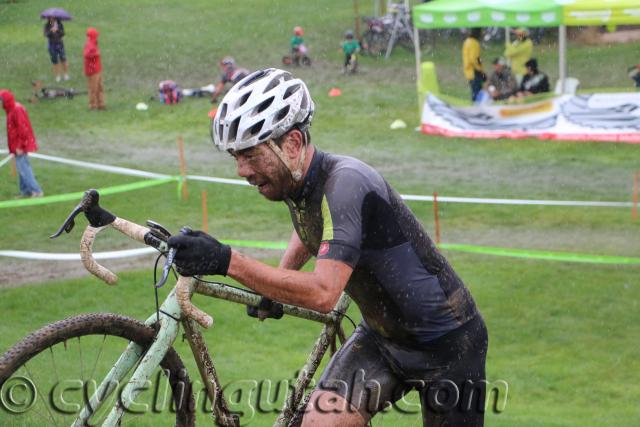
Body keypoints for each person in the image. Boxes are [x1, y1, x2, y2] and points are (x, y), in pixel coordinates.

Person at [168, 68, 488, 426]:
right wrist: (282, 278)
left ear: (290, 144)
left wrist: (226, 260)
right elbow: (315, 230)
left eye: (251, 155)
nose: (242, 170)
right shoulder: (297, 180)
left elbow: (324, 293)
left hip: (448, 344)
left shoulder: (345, 183)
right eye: (236, 157)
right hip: (382, 340)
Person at [0, 90, 43, 197]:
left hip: (20, 146)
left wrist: (20, 146)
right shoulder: (11, 110)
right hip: (17, 146)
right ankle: (25, 191)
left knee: (24, 169)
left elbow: (22, 129)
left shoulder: (16, 110)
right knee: (21, 168)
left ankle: (37, 191)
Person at [83, 27, 105, 110]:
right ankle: (92, 105)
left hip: (97, 69)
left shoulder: (94, 43)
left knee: (100, 87)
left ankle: (101, 104)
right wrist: (96, 54)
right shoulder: (89, 44)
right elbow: (87, 55)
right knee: (93, 89)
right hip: (92, 70)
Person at [462, 28, 485, 102]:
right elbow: (475, 58)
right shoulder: (474, 43)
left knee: (474, 92)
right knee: (477, 93)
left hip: (468, 71)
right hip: (475, 71)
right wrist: (480, 68)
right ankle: (477, 109)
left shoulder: (466, 42)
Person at [44, 17, 69, 82]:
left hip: (60, 45)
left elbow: (63, 33)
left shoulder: (60, 24)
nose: (52, 19)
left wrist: (57, 30)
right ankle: (57, 76)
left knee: (63, 60)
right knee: (55, 61)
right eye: (51, 18)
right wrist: (51, 31)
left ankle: (66, 74)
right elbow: (46, 34)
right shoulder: (47, 25)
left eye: (54, 18)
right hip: (51, 46)